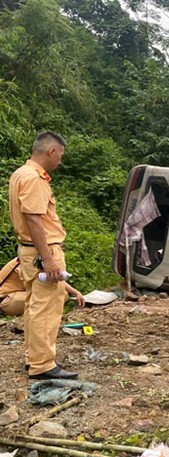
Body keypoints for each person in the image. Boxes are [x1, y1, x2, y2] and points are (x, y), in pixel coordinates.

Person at [8, 131, 78, 379]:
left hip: (28, 251)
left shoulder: (20, 174)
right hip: (42, 251)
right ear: (52, 151)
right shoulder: (35, 179)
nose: (60, 160)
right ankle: (43, 365)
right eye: (60, 154)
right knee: (46, 309)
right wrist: (48, 259)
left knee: (34, 306)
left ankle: (33, 358)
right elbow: (34, 219)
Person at [0, 257, 85, 317]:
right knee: (50, 294)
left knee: (61, 293)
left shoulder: (37, 260)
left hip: (18, 295)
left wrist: (76, 293)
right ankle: (36, 321)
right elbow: (33, 283)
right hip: (5, 299)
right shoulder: (26, 261)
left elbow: (57, 281)